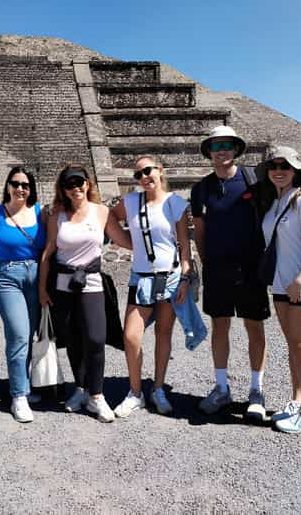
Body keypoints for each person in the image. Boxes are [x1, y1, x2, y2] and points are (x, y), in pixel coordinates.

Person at [191, 125, 301, 424]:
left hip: (250, 269)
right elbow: (200, 230)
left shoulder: (254, 180)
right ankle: (221, 388)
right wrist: (206, 261)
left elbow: (289, 188)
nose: (221, 150)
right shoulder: (201, 189)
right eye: (215, 145)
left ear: (236, 149)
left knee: (254, 327)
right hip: (218, 269)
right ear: (209, 151)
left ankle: (256, 391)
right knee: (219, 326)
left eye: (227, 144)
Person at [38, 165, 129, 423]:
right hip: (63, 285)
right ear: (63, 190)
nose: (76, 188)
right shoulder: (58, 215)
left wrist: (157, 247)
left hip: (91, 283)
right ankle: (79, 388)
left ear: (88, 184)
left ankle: (97, 395)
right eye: (69, 184)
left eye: (80, 182)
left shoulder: (101, 212)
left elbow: (122, 240)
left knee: (96, 338)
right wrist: (42, 288)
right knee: (73, 338)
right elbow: (48, 252)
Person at [110, 156, 193, 417]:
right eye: (138, 175)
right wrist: (129, 243)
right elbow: (109, 218)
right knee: (131, 335)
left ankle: (158, 388)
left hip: (169, 277)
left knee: (163, 334)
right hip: (141, 277)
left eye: (148, 171)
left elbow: (184, 247)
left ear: (160, 171)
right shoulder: (130, 201)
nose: (144, 177)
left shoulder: (176, 204)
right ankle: (135, 392)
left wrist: (185, 277)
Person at [256, 146, 301, 433]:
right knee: (293, 346)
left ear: (295, 170)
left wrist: (300, 280)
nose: (279, 170)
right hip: (281, 283)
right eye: (274, 165)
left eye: (285, 166)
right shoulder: (276, 202)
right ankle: (297, 401)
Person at [0, 167, 46, 423]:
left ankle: (23, 384)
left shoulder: (41, 212)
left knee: (30, 333)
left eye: (25, 184)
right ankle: (19, 395)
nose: (20, 188)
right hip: (6, 277)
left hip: (36, 277)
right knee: (19, 333)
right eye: (15, 183)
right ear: (7, 186)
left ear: (31, 189)